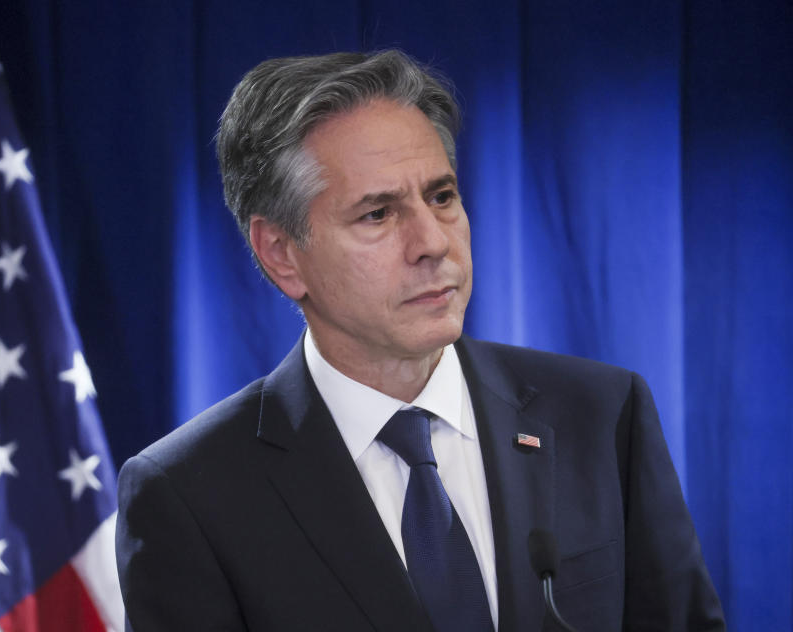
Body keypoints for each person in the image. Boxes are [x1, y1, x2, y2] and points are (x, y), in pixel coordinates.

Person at [115, 50, 725, 631]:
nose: (433, 242)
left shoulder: (603, 413)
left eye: (442, 196)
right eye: (377, 214)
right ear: (281, 254)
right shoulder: (189, 495)